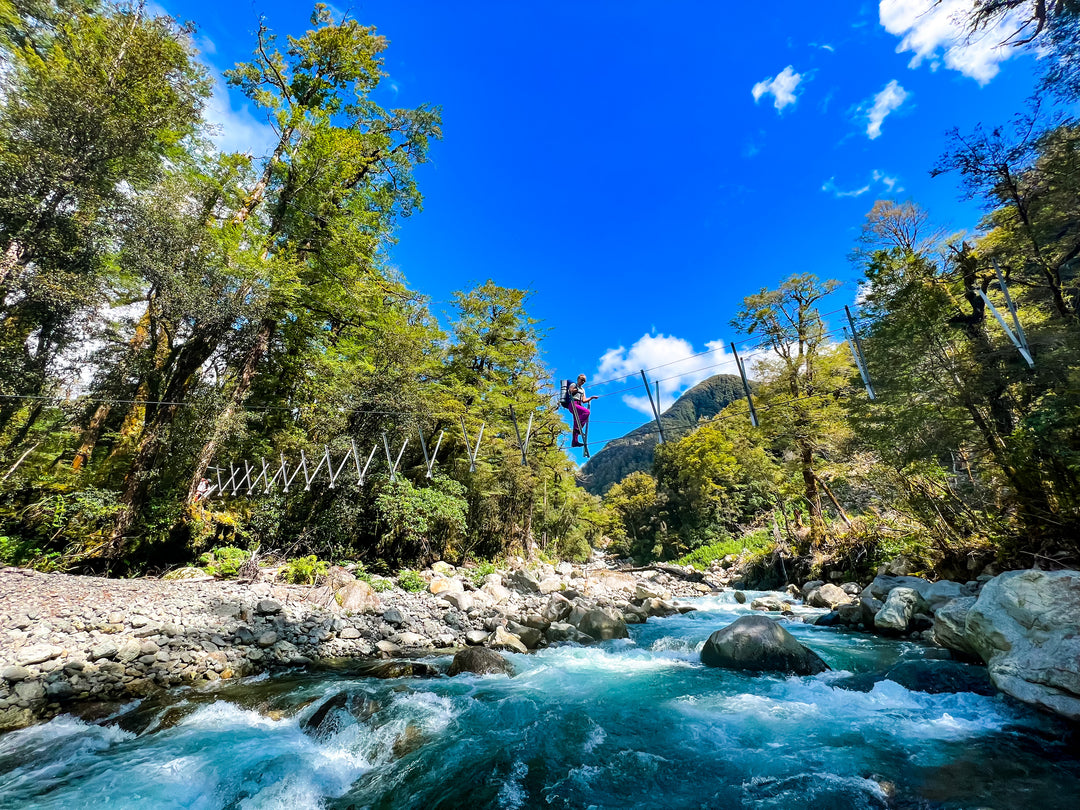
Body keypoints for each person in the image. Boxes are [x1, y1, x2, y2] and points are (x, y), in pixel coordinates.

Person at [569, 374, 598, 448]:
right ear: (578, 379)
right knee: (586, 412)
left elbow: (584, 400)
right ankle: (578, 429)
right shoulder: (574, 384)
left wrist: (591, 398)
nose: (583, 382)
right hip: (573, 403)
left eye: (584, 381)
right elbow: (570, 391)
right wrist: (575, 390)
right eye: (582, 380)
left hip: (579, 404)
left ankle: (574, 442)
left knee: (576, 423)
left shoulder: (582, 389)